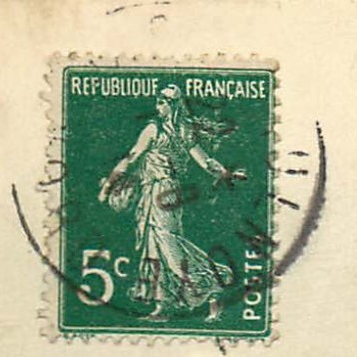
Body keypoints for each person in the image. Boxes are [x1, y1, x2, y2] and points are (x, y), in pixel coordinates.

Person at [98, 84, 246, 322]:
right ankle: (163, 306)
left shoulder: (155, 130)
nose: (159, 104)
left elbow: (132, 157)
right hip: (163, 192)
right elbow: (206, 161)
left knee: (168, 245)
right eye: (158, 100)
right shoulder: (182, 132)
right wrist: (224, 173)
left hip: (162, 191)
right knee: (154, 246)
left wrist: (108, 186)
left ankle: (212, 282)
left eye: (163, 100)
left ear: (173, 105)